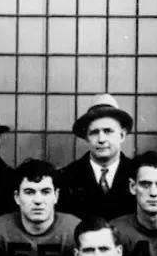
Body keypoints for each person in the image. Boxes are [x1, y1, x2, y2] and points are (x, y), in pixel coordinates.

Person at [0, 158, 81, 256]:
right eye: (29, 192)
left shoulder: (74, 230)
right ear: (17, 197)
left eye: (45, 192)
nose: (38, 200)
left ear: (56, 196)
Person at [56, 94, 137, 222]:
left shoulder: (138, 174)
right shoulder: (67, 177)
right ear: (86, 137)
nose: (101, 139)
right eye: (94, 132)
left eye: (108, 131)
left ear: (122, 135)